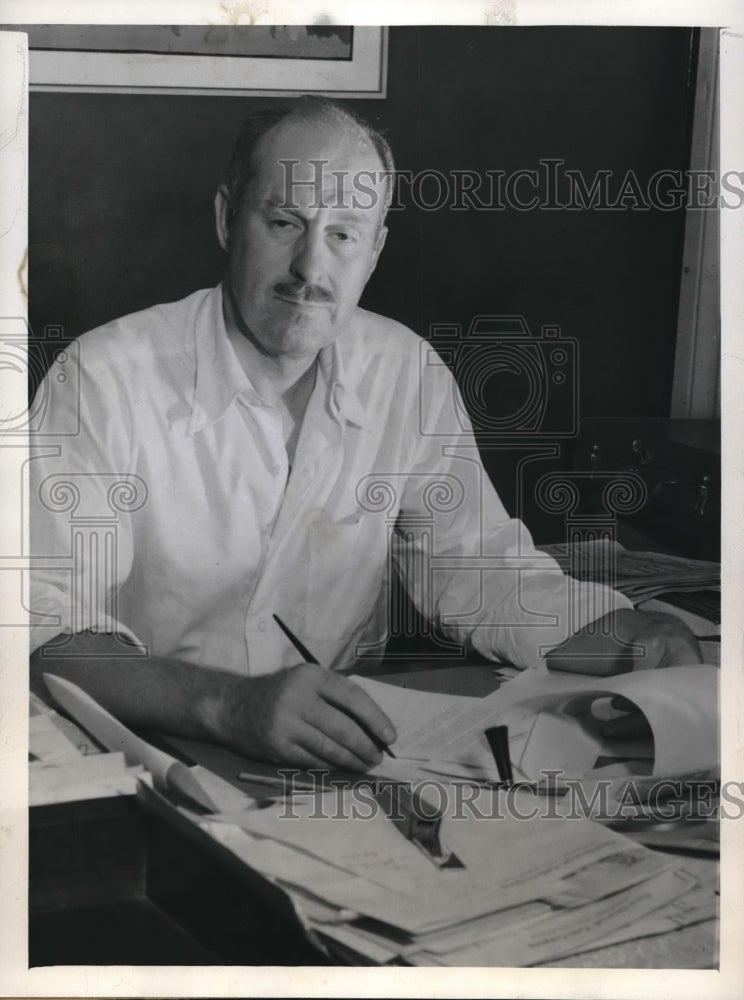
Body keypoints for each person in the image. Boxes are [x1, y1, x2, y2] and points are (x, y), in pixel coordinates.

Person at [29, 96, 702, 772]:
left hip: (340, 761)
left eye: (344, 234)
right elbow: (44, 628)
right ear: (227, 217)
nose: (310, 269)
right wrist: (230, 705)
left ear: (375, 248)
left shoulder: (403, 373)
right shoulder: (102, 379)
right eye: (285, 221)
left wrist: (627, 634)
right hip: (146, 756)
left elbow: (480, 569)